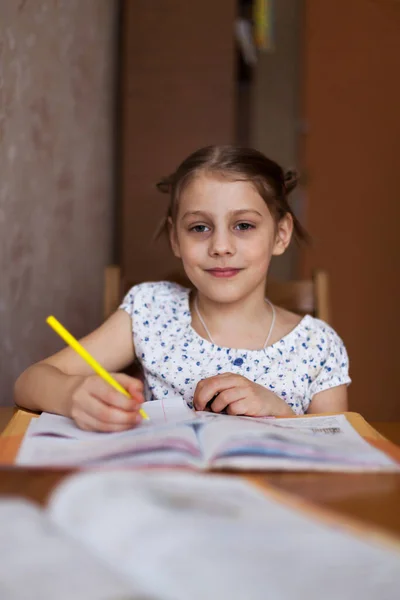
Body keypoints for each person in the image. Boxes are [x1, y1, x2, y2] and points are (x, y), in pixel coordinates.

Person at [14, 145, 351, 431]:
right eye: (200, 227)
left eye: (243, 225)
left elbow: (340, 454)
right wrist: (73, 394)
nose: (220, 246)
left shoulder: (318, 347)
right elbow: (29, 382)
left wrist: (281, 413)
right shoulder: (150, 311)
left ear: (280, 234)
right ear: (176, 238)